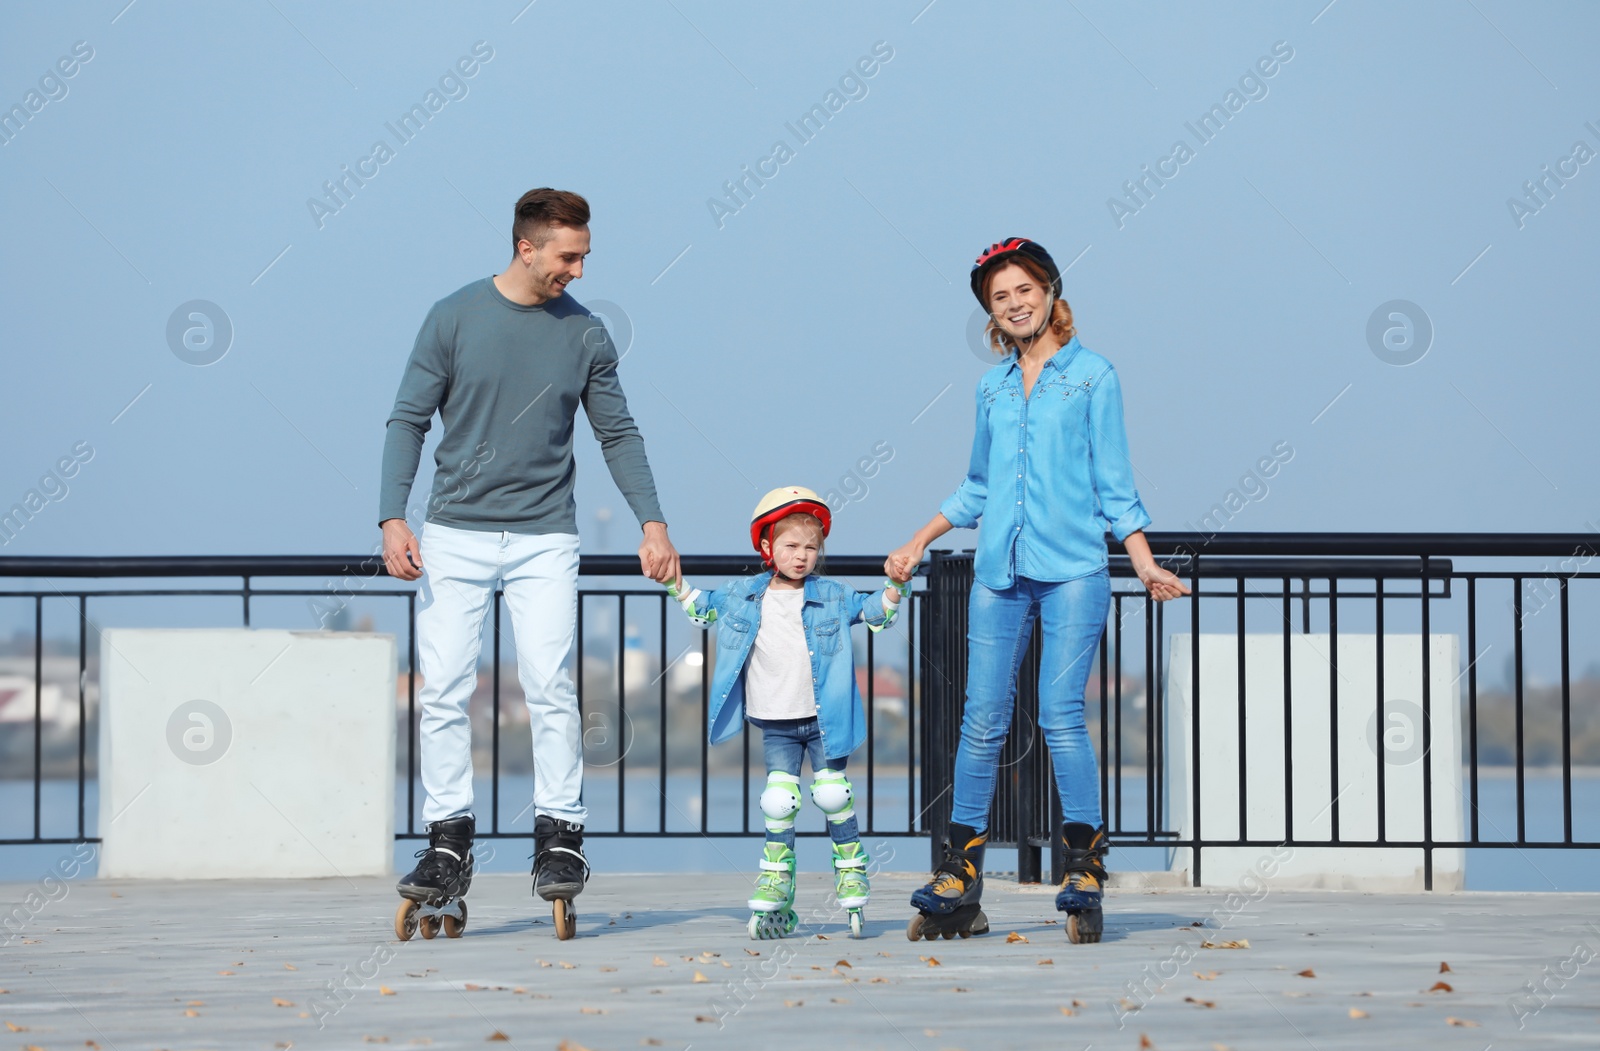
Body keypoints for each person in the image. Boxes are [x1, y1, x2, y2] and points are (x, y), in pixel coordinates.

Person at [379, 187, 681, 940]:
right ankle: (448, 840)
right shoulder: (453, 316)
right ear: (527, 247)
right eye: (568, 256)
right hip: (454, 531)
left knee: (550, 683)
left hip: (547, 534)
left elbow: (618, 433)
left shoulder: (587, 334)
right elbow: (408, 418)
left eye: (583, 256)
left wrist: (652, 520)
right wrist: (393, 515)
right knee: (444, 687)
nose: (577, 271)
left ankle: (559, 838)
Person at [887, 238, 1188, 944]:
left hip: (1075, 572)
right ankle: (959, 878)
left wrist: (1142, 561)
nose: (1015, 302)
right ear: (990, 312)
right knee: (981, 719)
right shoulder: (991, 387)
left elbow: (1115, 483)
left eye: (1024, 288)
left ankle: (1083, 865)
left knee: (1059, 714)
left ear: (1051, 291)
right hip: (1000, 573)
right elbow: (979, 486)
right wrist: (917, 539)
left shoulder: (1093, 377)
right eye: (1000, 296)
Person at [665, 487, 907, 939]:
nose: (801, 557)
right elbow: (702, 607)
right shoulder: (742, 595)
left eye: (811, 548)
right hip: (774, 720)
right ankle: (777, 880)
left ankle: (851, 867)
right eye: (791, 547)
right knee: (779, 802)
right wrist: (671, 581)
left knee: (833, 794)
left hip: (824, 719)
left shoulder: (833, 594)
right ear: (766, 548)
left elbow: (876, 613)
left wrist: (896, 584)